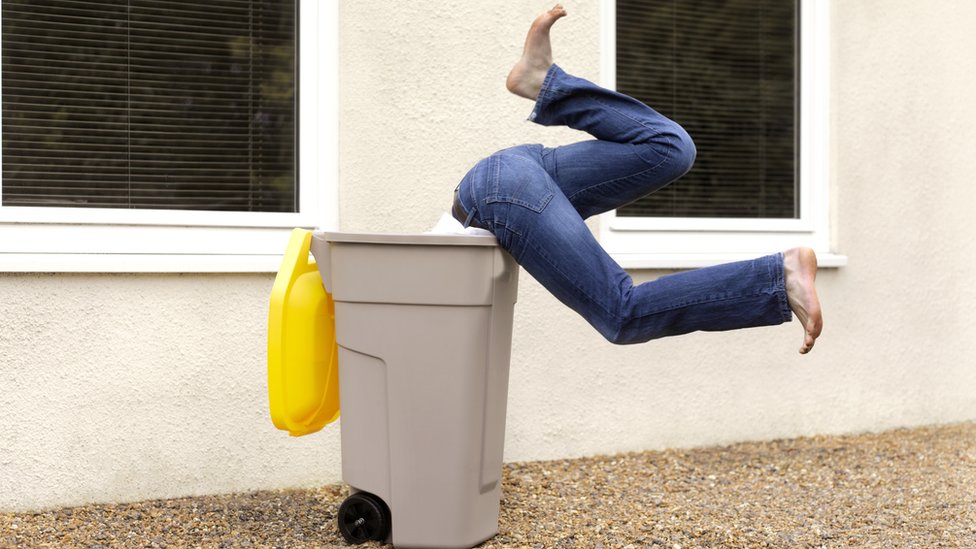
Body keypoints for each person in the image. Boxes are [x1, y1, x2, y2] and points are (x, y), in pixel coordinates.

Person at [451, 5, 822, 353]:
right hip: (515, 169)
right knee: (671, 149)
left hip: (502, 191)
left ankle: (779, 276)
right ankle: (545, 83)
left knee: (621, 312)